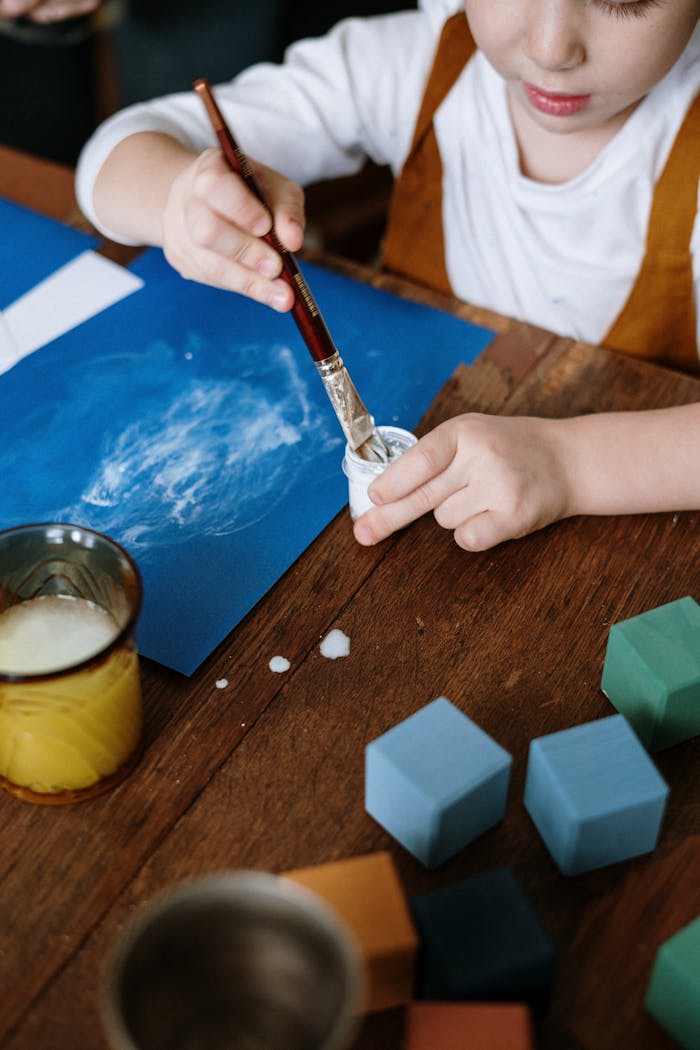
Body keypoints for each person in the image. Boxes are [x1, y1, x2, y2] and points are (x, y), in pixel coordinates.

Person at [75, 0, 700, 552]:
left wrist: (571, 465)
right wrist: (180, 196)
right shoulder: (419, 59)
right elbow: (111, 154)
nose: (551, 48)